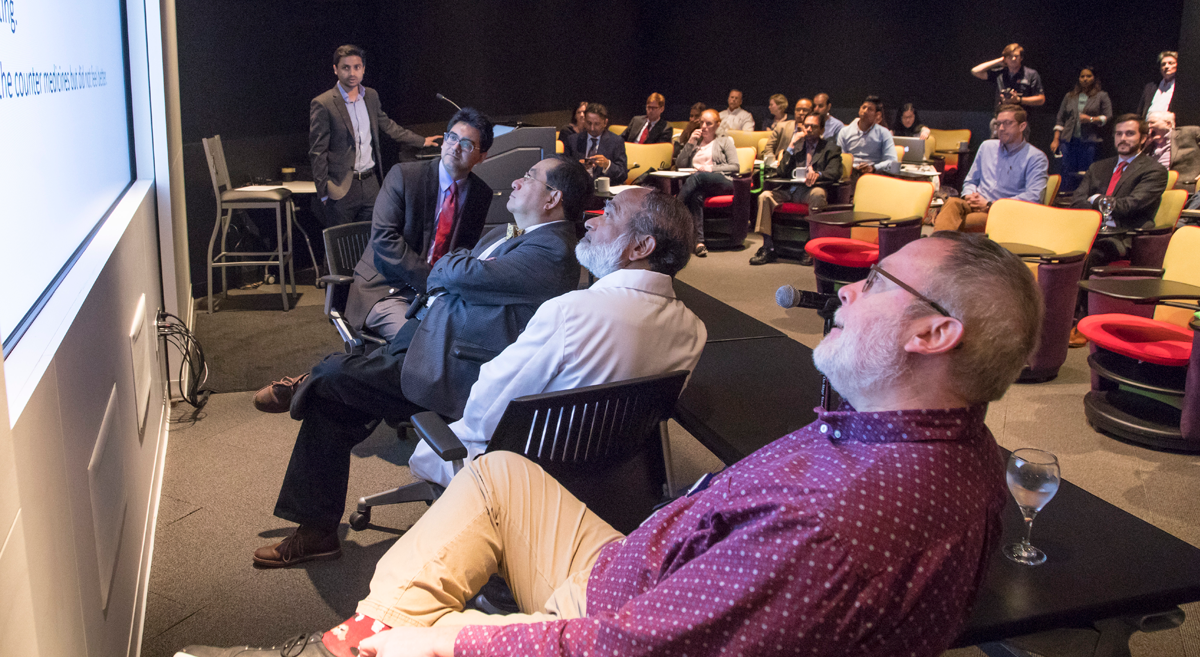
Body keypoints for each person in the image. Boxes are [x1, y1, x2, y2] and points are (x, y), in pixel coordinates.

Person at [179, 231, 1043, 657]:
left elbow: (624, 648)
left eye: (877, 281)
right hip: (644, 561)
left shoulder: (838, 521)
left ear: (934, 334)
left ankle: (362, 642)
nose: (846, 288)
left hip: (610, 622)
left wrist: (443, 642)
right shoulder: (954, 448)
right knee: (499, 474)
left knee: (425, 591)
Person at [249, 156, 592, 568]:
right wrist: (453, 270)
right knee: (335, 400)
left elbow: (459, 272)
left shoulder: (552, 250)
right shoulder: (510, 232)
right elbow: (460, 265)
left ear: (553, 197)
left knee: (335, 375)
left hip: (455, 368)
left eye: (530, 177)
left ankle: (306, 383)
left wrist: (450, 269)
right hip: (429, 339)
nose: (517, 181)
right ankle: (317, 531)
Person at [408, 188, 707, 486]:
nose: (591, 222)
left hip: (521, 481)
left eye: (609, 214)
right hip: (607, 481)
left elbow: (482, 418)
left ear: (641, 247)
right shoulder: (694, 331)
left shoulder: (571, 312)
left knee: (432, 446)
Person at [329, 108, 495, 343]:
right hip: (386, 290)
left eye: (467, 144)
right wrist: (433, 282)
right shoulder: (405, 176)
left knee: (475, 335)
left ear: (482, 156)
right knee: (424, 343)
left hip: (437, 294)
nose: (455, 147)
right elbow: (384, 239)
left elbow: (463, 249)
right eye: (452, 137)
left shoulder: (480, 194)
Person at [309, 45, 439, 227]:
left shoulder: (370, 96)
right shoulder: (323, 103)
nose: (352, 72)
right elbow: (318, 152)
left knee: (372, 242)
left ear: (363, 69)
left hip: (370, 184)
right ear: (335, 69)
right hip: (341, 188)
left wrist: (422, 141)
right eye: (346, 67)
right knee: (341, 247)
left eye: (357, 67)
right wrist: (323, 192)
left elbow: (388, 126)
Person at [1069, 115, 1168, 346]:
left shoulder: (1153, 171)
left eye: (1130, 133)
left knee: (1088, 256)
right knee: (1064, 252)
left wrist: (1095, 200)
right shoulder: (1099, 167)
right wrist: (1102, 203)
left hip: (1123, 237)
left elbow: (1130, 206)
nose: (1123, 139)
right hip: (1090, 232)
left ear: (1144, 138)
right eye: (1119, 133)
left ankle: (1078, 322)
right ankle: (1054, 317)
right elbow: (1076, 202)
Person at [933, 105, 1049, 232]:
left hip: (1003, 213)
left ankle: (937, 245)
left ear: (1022, 126)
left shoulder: (1036, 157)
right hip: (975, 204)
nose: (1001, 128)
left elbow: (1034, 197)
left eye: (1007, 123)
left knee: (952, 222)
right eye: (998, 124)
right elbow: (971, 181)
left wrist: (991, 205)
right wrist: (969, 196)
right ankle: (938, 246)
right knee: (952, 203)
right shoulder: (986, 147)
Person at [751, 112, 843, 266]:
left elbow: (835, 172)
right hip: (789, 190)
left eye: (813, 126)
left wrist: (818, 175)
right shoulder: (797, 147)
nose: (808, 129)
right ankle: (768, 247)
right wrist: (791, 146)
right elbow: (781, 172)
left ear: (821, 129)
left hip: (809, 190)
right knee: (765, 196)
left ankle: (811, 246)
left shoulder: (830, 148)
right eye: (806, 126)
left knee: (819, 194)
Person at [675, 109, 740, 257]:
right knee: (696, 195)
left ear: (717, 125)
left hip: (722, 181)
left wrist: (711, 168)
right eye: (702, 122)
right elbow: (679, 164)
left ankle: (675, 210)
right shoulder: (695, 142)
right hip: (700, 184)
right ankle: (699, 242)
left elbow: (735, 166)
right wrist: (690, 142)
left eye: (708, 123)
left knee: (699, 176)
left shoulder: (725, 141)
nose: (704, 126)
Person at [1051, 66, 1113, 191]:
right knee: (1066, 168)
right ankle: (1065, 195)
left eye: (1088, 76)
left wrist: (1091, 119)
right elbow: (1060, 118)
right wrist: (1056, 139)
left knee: (1087, 170)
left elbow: (1108, 116)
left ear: (1094, 78)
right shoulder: (1070, 96)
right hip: (1069, 139)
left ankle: (1083, 195)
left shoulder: (1101, 95)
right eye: (1082, 76)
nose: (1085, 79)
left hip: (1089, 140)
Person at [564, 103, 629, 183]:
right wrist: (578, 168)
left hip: (604, 190)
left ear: (605, 123)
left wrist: (607, 165)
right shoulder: (572, 140)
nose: (592, 128)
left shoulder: (616, 141)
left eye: (597, 124)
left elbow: (623, 174)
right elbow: (564, 169)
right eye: (589, 123)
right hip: (580, 188)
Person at [971, 42, 1046, 111]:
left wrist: (1019, 100)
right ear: (1005, 59)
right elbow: (975, 71)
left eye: (1016, 56)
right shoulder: (1000, 73)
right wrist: (998, 61)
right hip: (1001, 115)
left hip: (1021, 117)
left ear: (1021, 58)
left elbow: (1041, 99)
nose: (1013, 59)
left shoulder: (1031, 74)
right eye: (1010, 57)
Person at [836, 95, 897, 177]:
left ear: (877, 115)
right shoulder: (845, 132)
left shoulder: (884, 133)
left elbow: (893, 161)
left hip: (873, 174)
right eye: (863, 107)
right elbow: (839, 158)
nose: (865, 111)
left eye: (870, 109)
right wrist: (853, 167)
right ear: (859, 110)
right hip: (850, 173)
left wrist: (873, 168)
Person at [1145, 111, 1200, 187]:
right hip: (1152, 186)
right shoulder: (1147, 144)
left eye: (1152, 122)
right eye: (1147, 123)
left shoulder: (1189, 133)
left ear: (1168, 124)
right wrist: (1144, 145)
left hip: (1186, 185)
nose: (1148, 126)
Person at [762, 97, 813, 167]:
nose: (801, 113)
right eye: (798, 110)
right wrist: (773, 163)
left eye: (805, 110)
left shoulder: (814, 131)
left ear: (812, 112)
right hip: (781, 166)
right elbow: (768, 148)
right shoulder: (781, 127)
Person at [1137, 51, 1178, 118]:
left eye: (1170, 63)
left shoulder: (1181, 88)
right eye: (1163, 64)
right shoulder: (1150, 87)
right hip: (1147, 125)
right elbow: (1140, 110)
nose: (1166, 66)